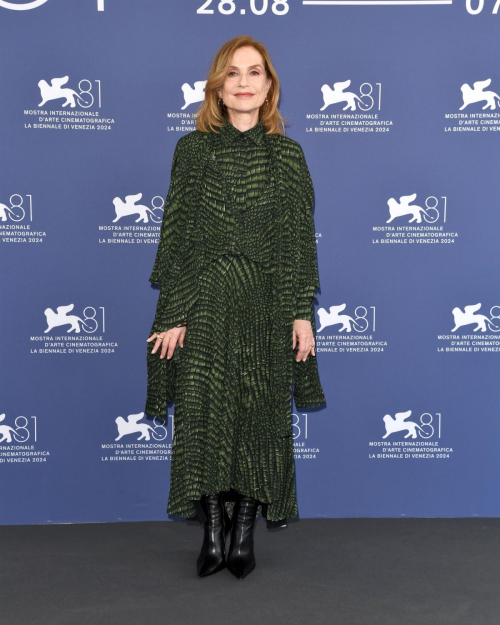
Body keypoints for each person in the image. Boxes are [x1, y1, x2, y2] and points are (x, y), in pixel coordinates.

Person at [145, 35, 326, 580]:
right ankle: (212, 528)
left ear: (269, 86)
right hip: (204, 304)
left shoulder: (289, 155)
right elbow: (176, 236)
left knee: (260, 416)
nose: (244, 82)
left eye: (255, 73)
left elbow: (297, 241)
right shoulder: (192, 150)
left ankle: (245, 528)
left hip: (268, 306)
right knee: (204, 416)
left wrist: (301, 313)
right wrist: (174, 312)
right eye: (233, 74)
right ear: (218, 89)